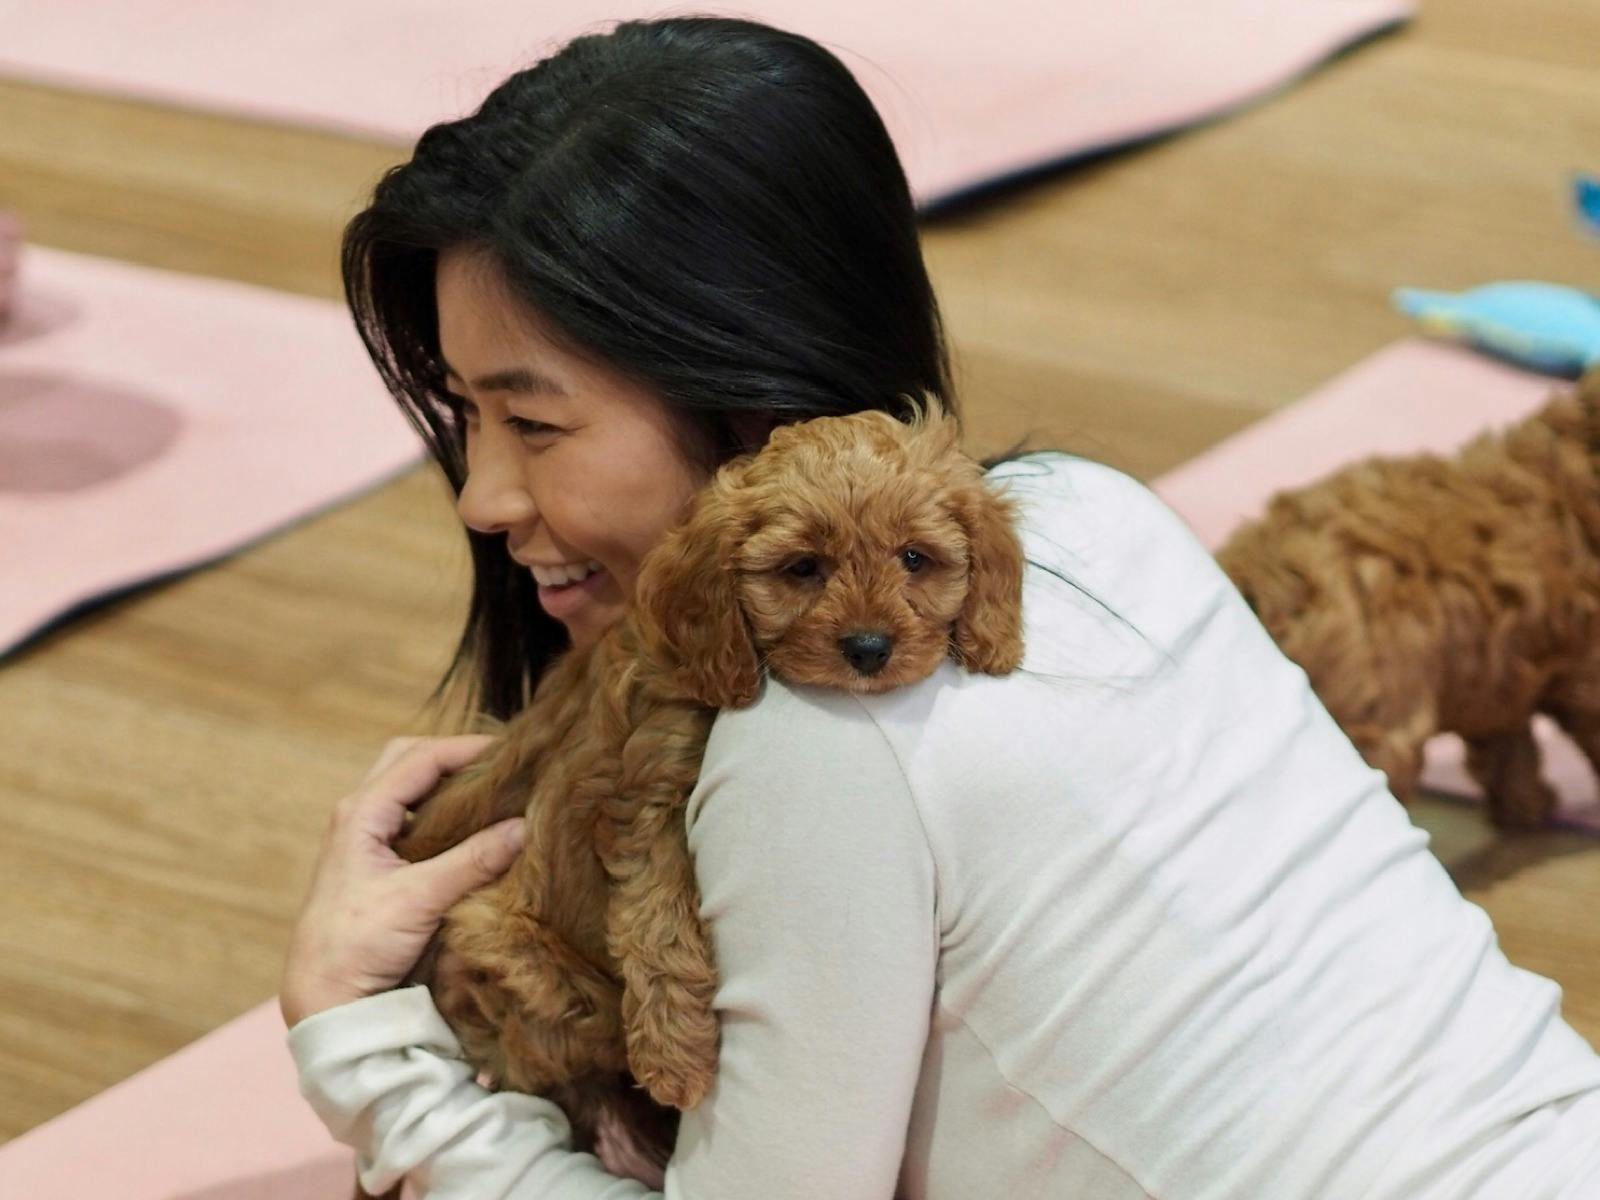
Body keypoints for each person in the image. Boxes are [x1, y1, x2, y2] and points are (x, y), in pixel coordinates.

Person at [280, 16, 1600, 1199]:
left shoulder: (824, 738)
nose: (483, 494)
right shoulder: (1089, 511)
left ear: (738, 383)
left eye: (532, 420)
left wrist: (364, 1044)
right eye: (468, 419)